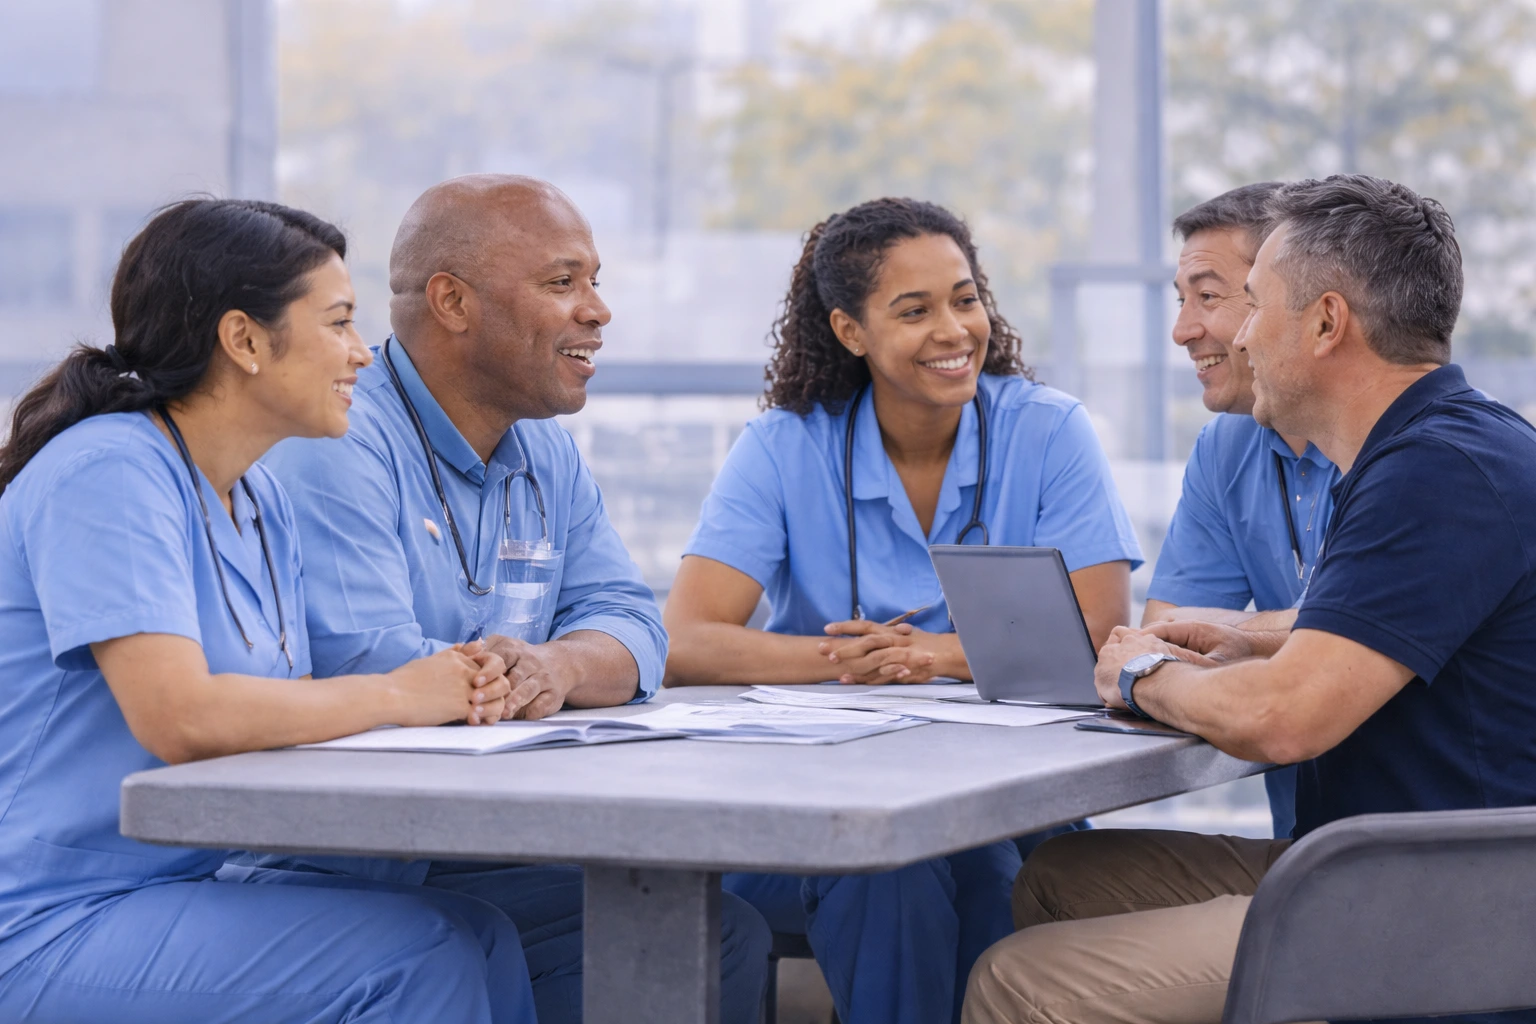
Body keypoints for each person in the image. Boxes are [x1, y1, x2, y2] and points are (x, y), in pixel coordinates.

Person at [964, 175, 1536, 1024]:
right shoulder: (1415, 455)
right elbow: (1368, 639)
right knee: (1061, 878)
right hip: (1378, 865)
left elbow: (1285, 720)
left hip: (1453, 910)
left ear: (1327, 322)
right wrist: (1264, 643)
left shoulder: (1438, 472)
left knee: (1022, 979)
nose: (1237, 335)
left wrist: (1142, 671)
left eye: (1252, 305)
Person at [250, 173, 771, 1023]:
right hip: (335, 857)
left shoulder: (543, 447)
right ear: (453, 302)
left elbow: (638, 627)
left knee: (715, 936)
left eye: (595, 281)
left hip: (466, 846)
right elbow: (373, 664)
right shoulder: (338, 438)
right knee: (458, 947)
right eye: (563, 283)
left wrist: (558, 665)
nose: (598, 310)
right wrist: (512, 678)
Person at [0, 198, 536, 1022]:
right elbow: (180, 717)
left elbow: (286, 700)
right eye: (338, 323)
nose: (363, 354)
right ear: (244, 340)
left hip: (175, 883)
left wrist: (463, 683)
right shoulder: (107, 473)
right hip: (46, 920)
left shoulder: (259, 499)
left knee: (488, 933)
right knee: (420, 957)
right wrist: (405, 694)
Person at [665, 197, 1143, 1024]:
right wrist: (843, 661)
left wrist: (938, 654)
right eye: (914, 311)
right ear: (851, 331)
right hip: (819, 817)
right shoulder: (786, 446)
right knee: (890, 867)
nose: (955, 330)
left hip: (1015, 819)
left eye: (965, 298)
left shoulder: (1049, 431)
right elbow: (684, 639)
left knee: (980, 869)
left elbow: (1101, 635)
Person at [1143, 181, 1340, 841]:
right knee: (1051, 876)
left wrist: (1246, 639)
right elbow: (1166, 633)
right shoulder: (1227, 445)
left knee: (1031, 938)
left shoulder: (1416, 455)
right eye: (1181, 300)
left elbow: (1354, 636)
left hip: (1410, 866)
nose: (1181, 330)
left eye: (1209, 296)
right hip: (1309, 844)